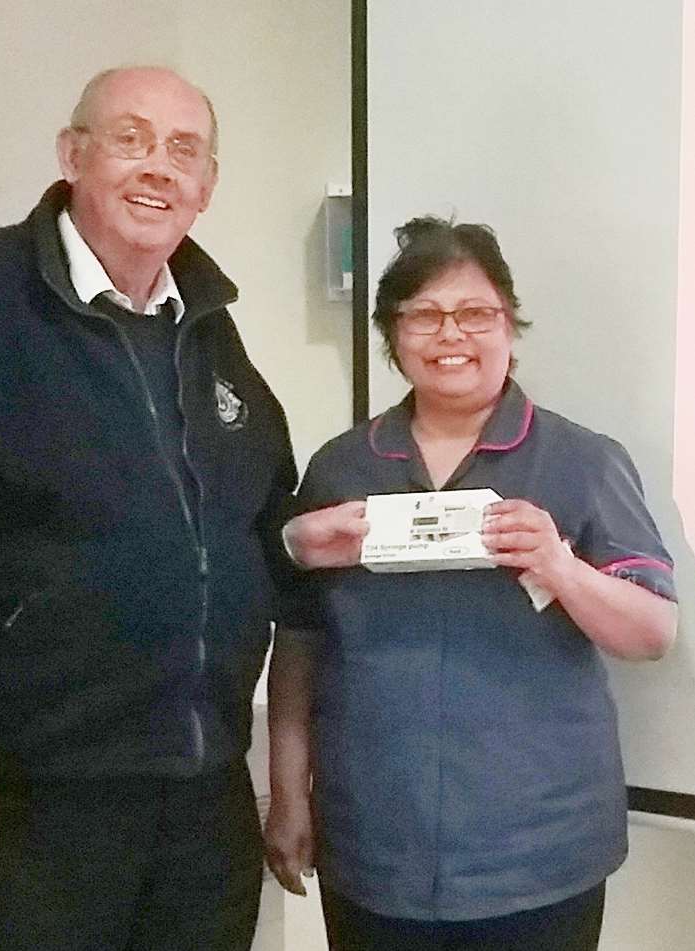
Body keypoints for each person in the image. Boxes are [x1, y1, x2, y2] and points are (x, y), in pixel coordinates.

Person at [0, 66, 298, 950]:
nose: (157, 168)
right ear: (72, 153)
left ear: (206, 187)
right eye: (130, 139)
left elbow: (256, 517)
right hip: (33, 790)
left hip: (202, 786)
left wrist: (311, 543)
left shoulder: (206, 323)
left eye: (182, 151)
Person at [266, 216, 678, 951]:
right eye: (422, 314)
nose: (449, 333)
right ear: (392, 337)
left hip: (540, 857)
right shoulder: (339, 469)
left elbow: (652, 633)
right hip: (372, 849)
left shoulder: (582, 460)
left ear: (509, 325)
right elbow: (298, 643)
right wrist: (288, 792)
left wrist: (560, 566)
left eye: (475, 313)